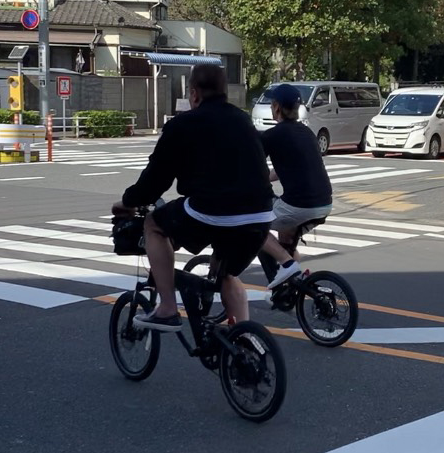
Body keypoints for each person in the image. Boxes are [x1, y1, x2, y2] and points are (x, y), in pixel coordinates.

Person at [112, 64, 274, 332]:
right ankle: (244, 338)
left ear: (194, 94)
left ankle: (166, 308)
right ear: (224, 91)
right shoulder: (242, 119)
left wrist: (128, 203)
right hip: (260, 215)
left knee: (153, 223)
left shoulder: (183, 125)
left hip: (212, 212)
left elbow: (155, 181)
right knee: (227, 273)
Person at [261, 84, 333, 289]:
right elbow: (290, 168)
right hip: (324, 203)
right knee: (285, 235)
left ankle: (288, 264)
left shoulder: (273, 135)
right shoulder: (307, 132)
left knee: (254, 226)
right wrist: (266, 178)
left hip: (300, 205)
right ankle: (294, 286)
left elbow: (251, 164)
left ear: (276, 107)